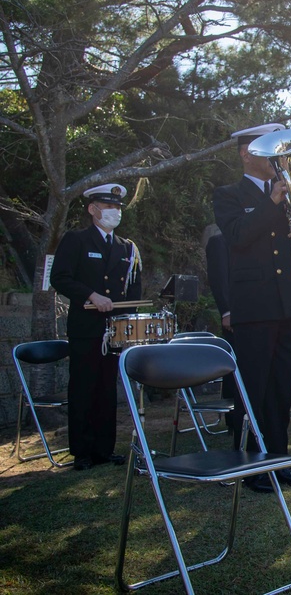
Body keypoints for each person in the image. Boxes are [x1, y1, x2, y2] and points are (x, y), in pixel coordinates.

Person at [213, 122, 291, 491]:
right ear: (246, 153)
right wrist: (273, 200)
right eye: (269, 150)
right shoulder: (228, 194)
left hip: (290, 303)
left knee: (282, 388)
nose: (278, 158)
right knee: (254, 387)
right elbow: (237, 236)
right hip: (255, 305)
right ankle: (251, 466)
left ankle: (279, 461)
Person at [51, 183, 142, 471]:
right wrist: (91, 295)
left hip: (113, 329)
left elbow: (133, 288)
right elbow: (60, 277)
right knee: (83, 387)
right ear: (93, 209)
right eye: (109, 207)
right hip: (86, 327)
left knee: (106, 389)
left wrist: (129, 319)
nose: (115, 212)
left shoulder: (126, 247)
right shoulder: (76, 240)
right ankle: (82, 451)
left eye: (118, 208)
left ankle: (105, 448)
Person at [205, 229, 237, 432]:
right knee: (233, 368)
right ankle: (233, 419)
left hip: (258, 314)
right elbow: (218, 278)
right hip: (235, 313)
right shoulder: (219, 241)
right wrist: (226, 310)